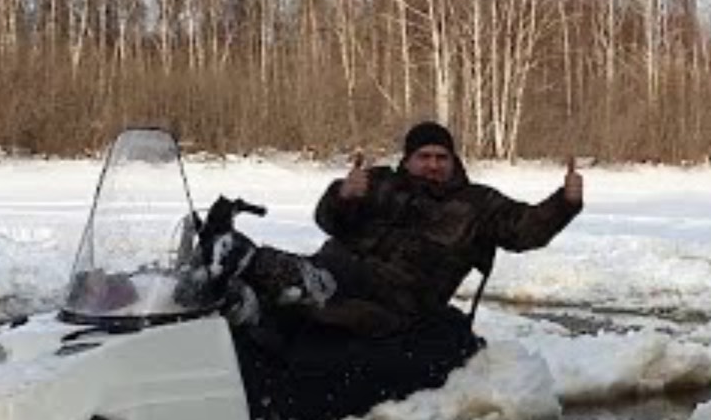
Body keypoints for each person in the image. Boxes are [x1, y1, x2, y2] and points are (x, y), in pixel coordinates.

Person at [225, 120, 583, 340]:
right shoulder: (380, 182)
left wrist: (564, 203)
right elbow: (328, 220)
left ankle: (270, 276)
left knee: (278, 268)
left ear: (453, 161)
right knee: (259, 276)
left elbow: (525, 232)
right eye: (424, 156)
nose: (432, 165)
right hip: (337, 273)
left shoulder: (477, 203)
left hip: (401, 298)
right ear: (408, 159)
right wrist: (343, 196)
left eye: (441, 158)